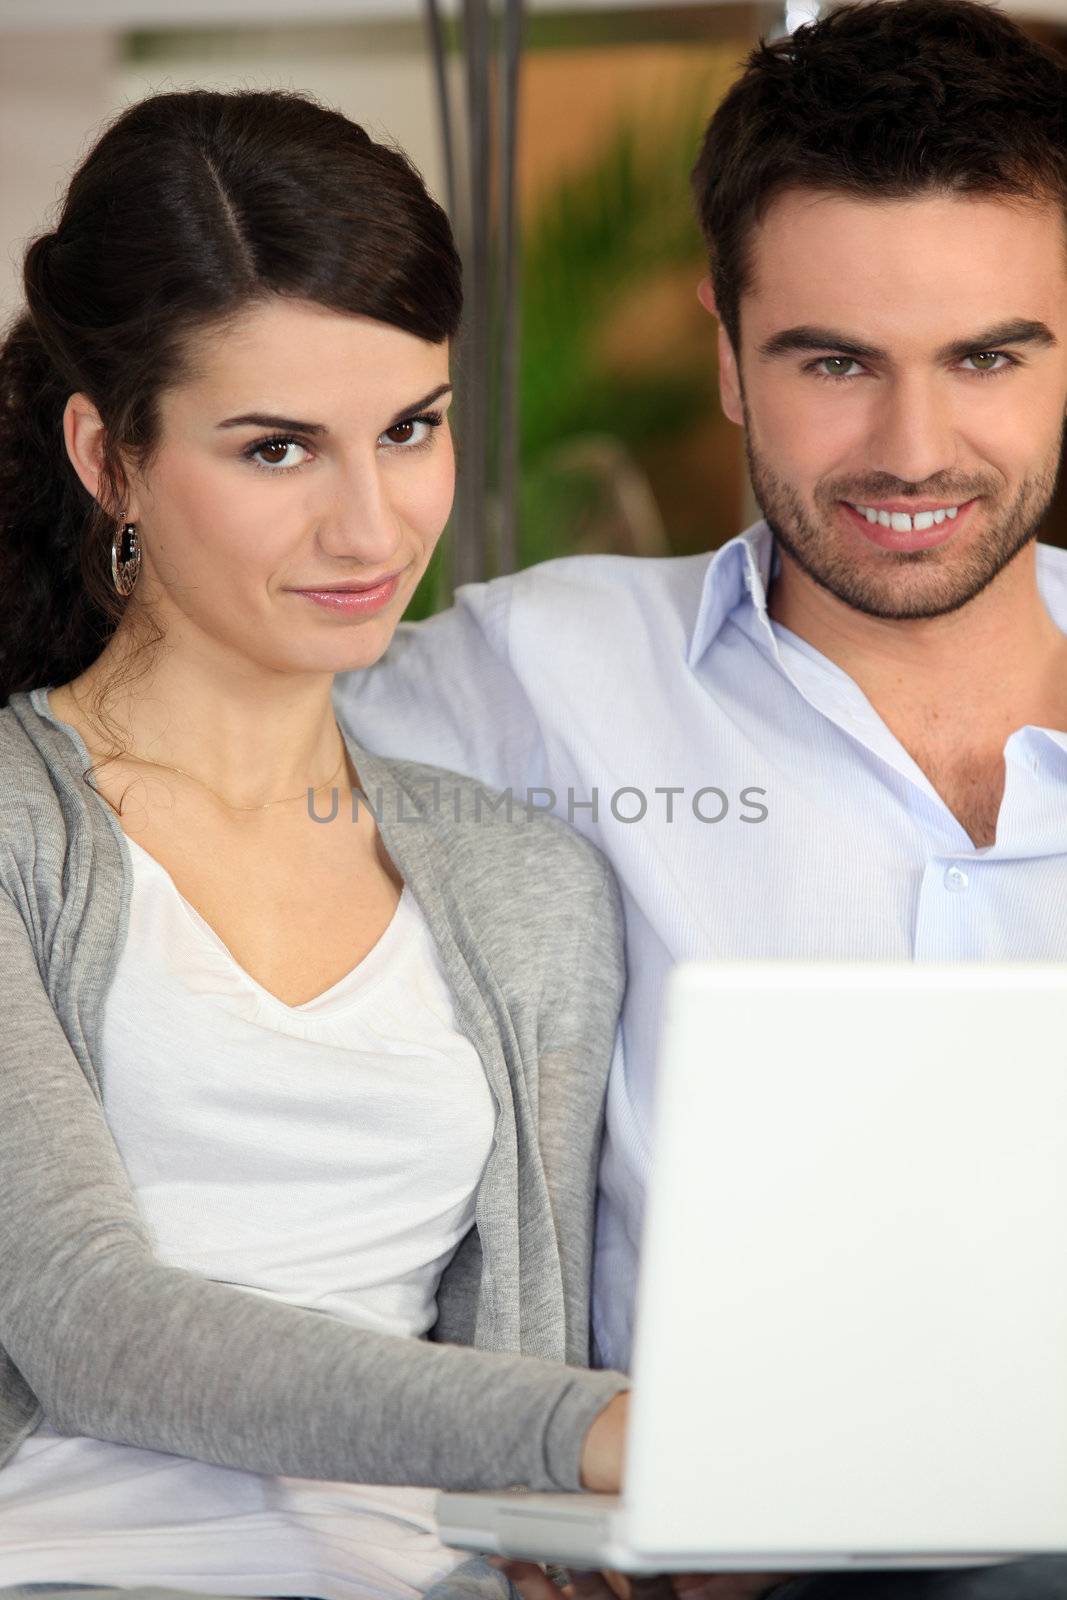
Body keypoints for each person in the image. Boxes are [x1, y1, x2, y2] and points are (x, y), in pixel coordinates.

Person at [336, 1, 1067, 1597]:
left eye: (989, 356)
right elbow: (148, 743)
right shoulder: (538, 676)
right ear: (727, 352)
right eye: (834, 361)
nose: (914, 446)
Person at [0, 86, 636, 1600]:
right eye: (278, 451)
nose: (374, 529)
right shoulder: (24, 829)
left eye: (410, 429)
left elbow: (513, 1358)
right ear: (111, 456)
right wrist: (601, 1429)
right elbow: (85, 1315)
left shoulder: (522, 885)